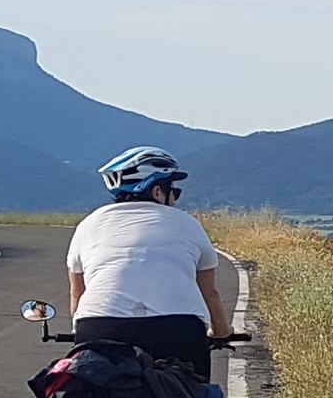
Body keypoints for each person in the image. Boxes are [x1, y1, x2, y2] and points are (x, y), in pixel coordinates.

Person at [67, 147, 231, 380]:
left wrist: (78, 331)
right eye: (174, 191)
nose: (175, 199)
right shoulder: (187, 224)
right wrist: (221, 332)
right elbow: (209, 292)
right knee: (193, 397)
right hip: (178, 329)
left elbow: (78, 292)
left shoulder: (88, 225)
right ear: (157, 191)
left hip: (98, 328)